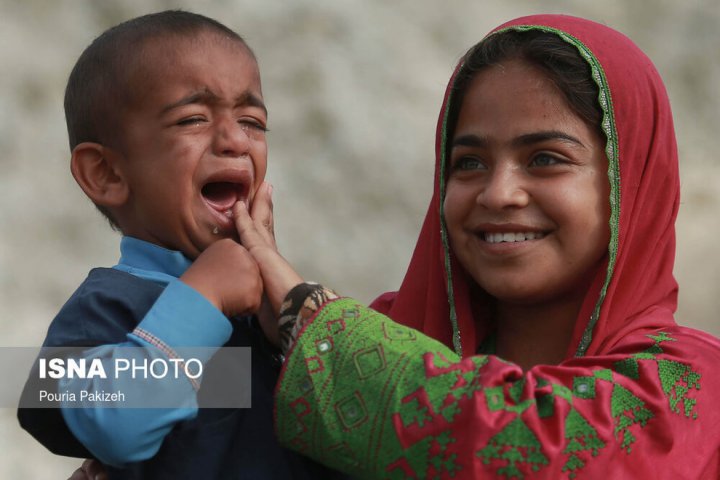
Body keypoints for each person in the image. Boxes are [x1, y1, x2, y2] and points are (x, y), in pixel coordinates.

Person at [233, 14, 720, 479]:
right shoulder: (366, 338)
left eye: (545, 159)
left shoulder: (691, 384)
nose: (498, 193)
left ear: (629, 184)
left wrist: (307, 318)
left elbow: (531, 453)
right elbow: (170, 387)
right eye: (468, 163)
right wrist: (191, 301)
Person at [17, 10, 343, 480]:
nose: (234, 139)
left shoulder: (271, 314)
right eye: (192, 119)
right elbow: (66, 407)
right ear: (106, 173)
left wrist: (294, 328)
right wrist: (204, 297)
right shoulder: (109, 305)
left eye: (253, 120)